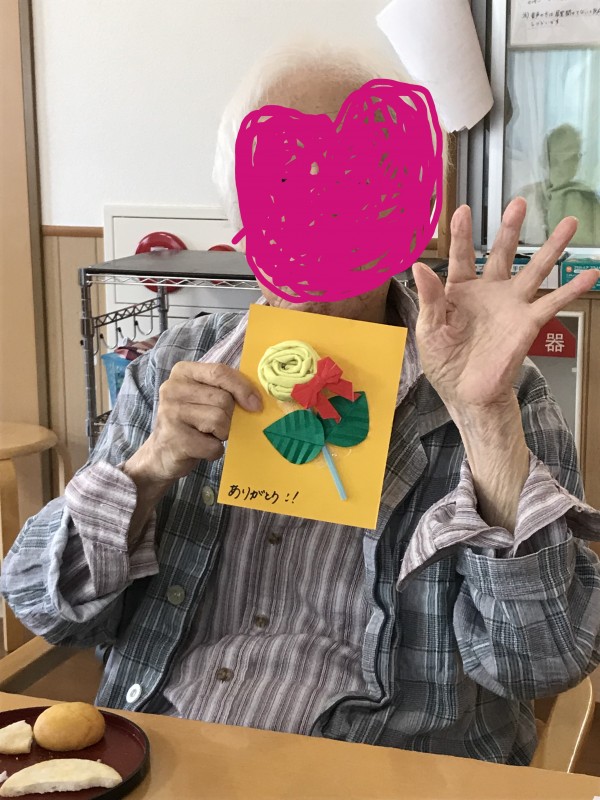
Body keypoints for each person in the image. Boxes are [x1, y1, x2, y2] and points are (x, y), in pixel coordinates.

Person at [3, 45, 600, 767]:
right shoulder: (176, 365)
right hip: (167, 753)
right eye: (286, 183)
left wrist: (484, 422)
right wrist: (148, 470)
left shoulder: (502, 392)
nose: (322, 218)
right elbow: (41, 604)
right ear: (241, 210)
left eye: (357, 186)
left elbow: (540, 662)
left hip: (389, 770)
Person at [519, 124, 600, 247]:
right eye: (570, 155)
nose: (575, 161)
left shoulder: (587, 199)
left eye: (577, 155)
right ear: (549, 158)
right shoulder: (527, 197)